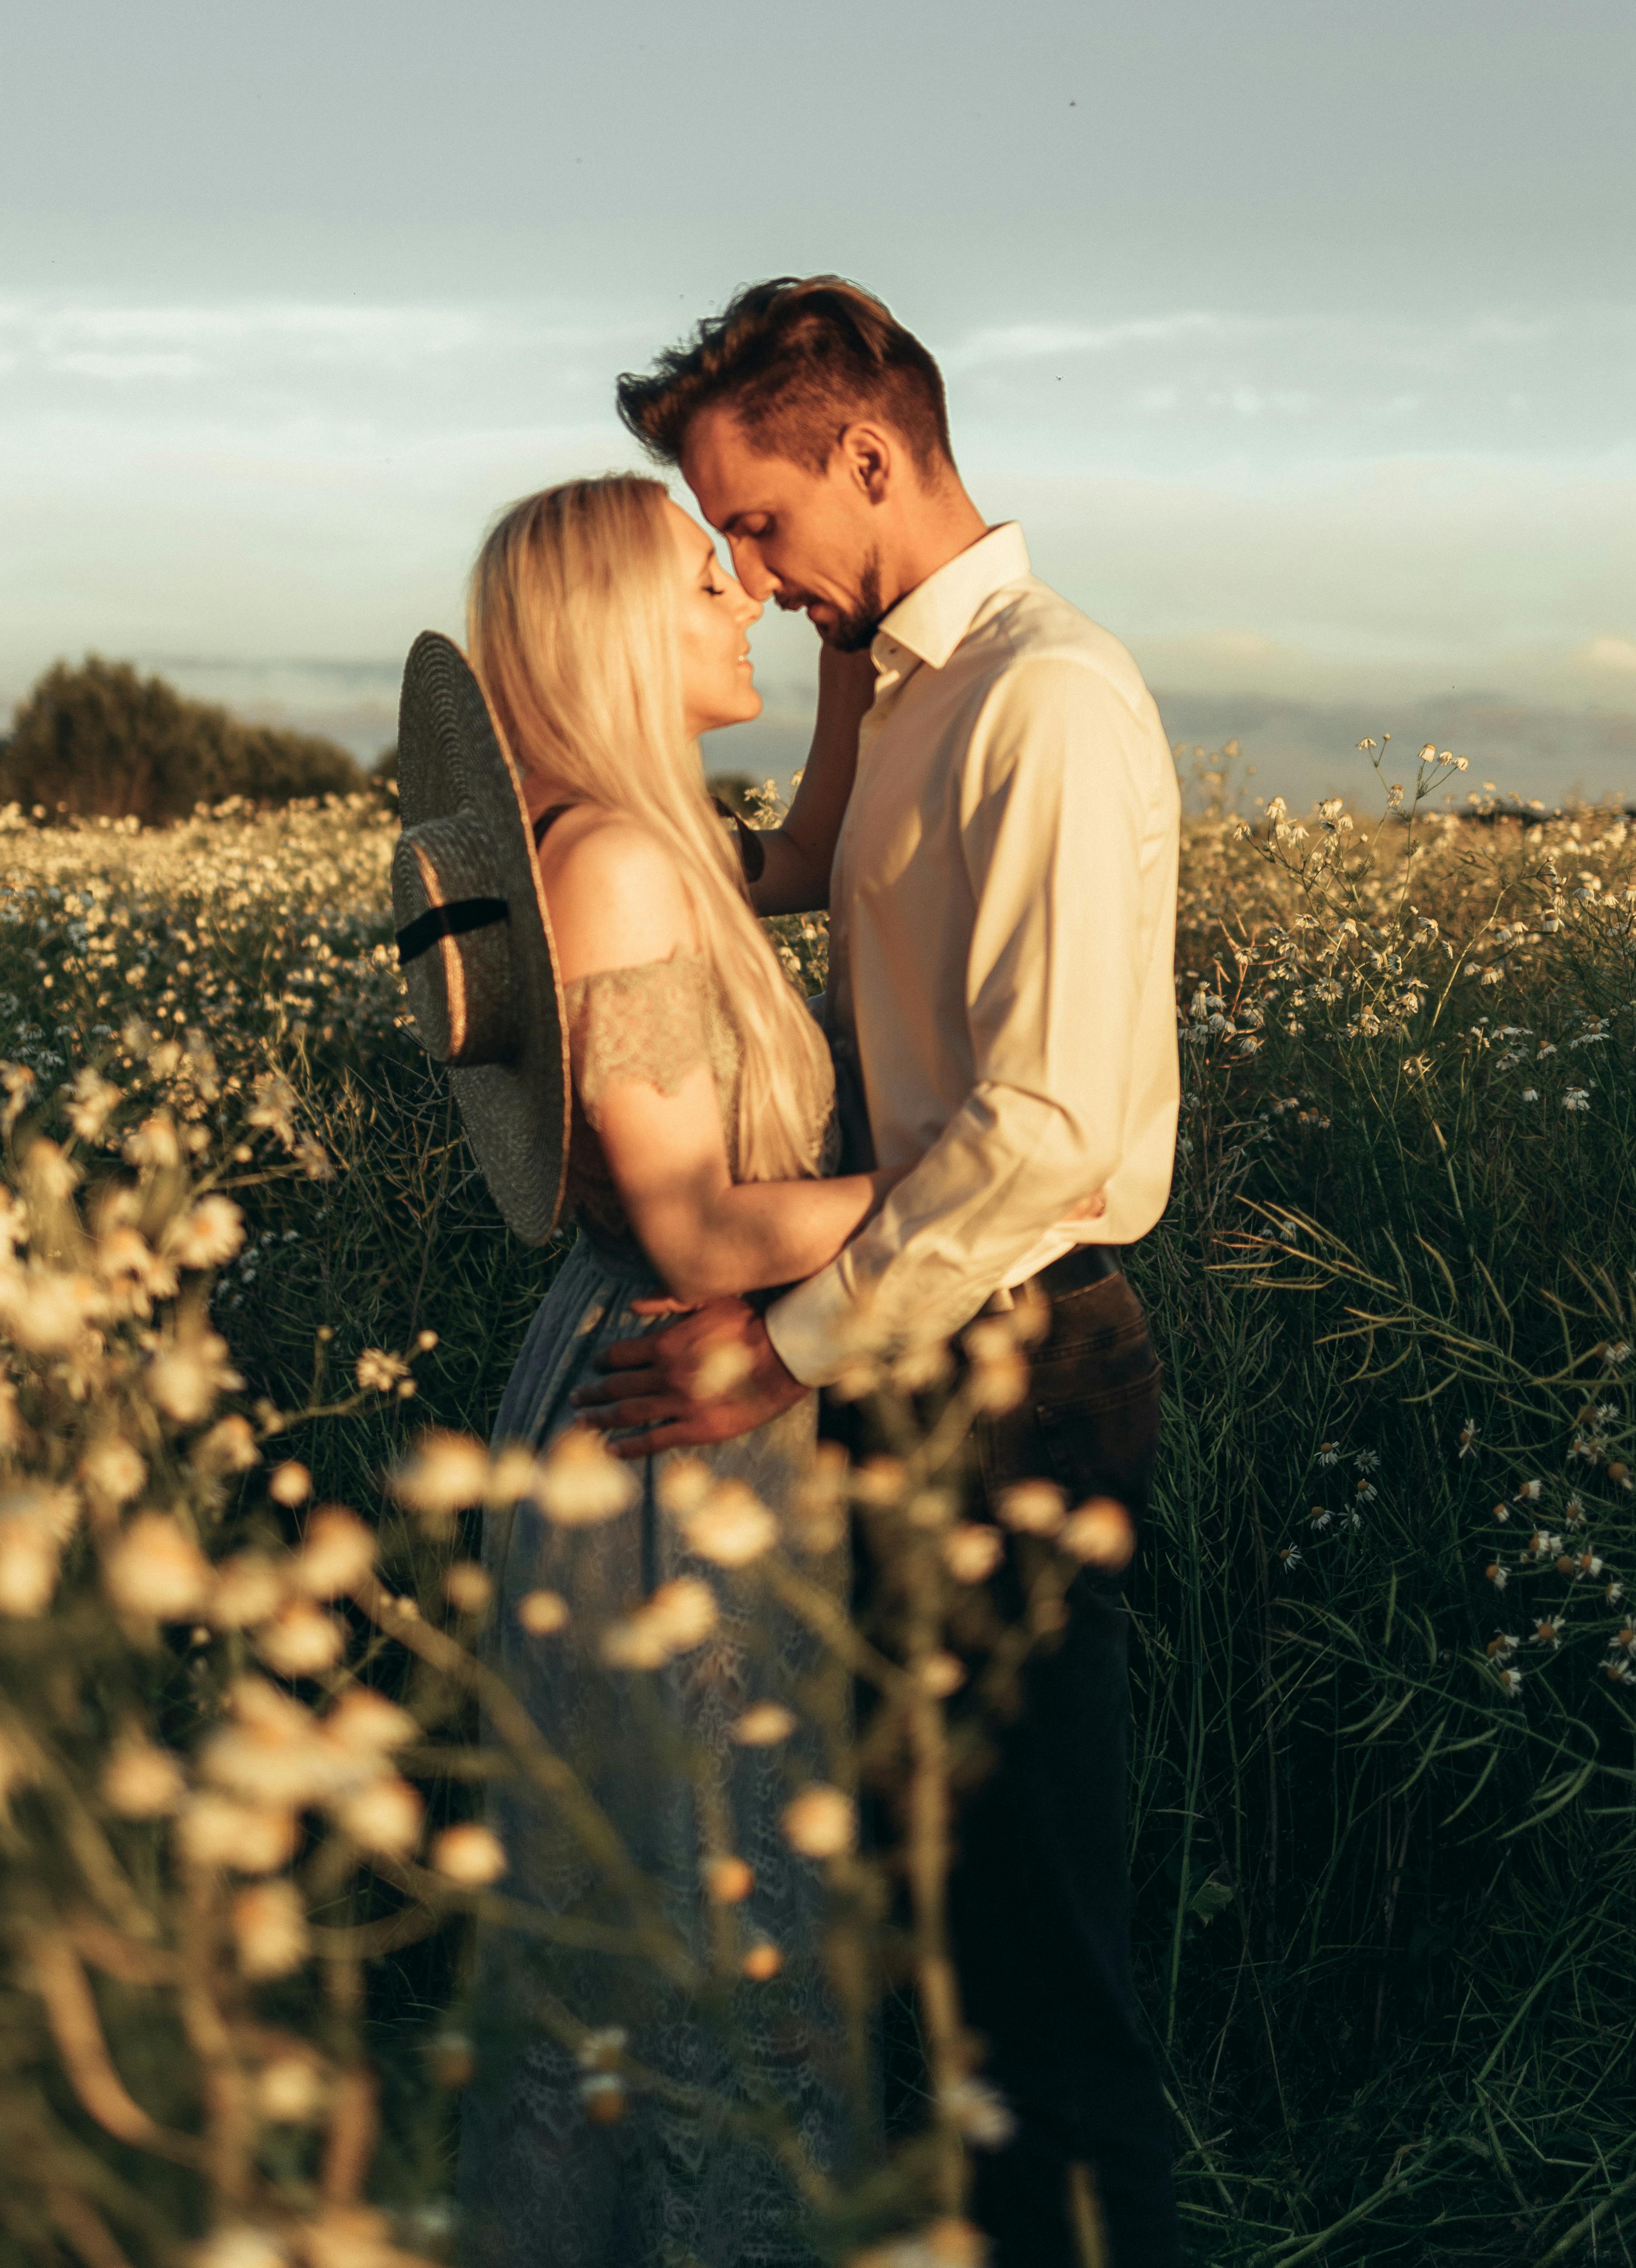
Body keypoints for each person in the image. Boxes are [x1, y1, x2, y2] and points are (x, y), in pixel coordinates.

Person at [579, 278, 1186, 2268]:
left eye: (757, 522)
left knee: (1038, 1969)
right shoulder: (912, 689)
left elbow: (1049, 1133)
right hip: (921, 1346)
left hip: (1011, 1358)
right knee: (941, 1951)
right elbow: (733, 886)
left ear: (871, 454)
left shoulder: (1048, 698)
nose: (745, 571)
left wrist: (789, 1349)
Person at [429, 470, 891, 2268]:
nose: (748, 601)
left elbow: (813, 854)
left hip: (658, 1402)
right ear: (625, 628)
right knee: (717, 1952)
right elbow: (698, 1228)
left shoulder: (642, 840)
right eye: (714, 581)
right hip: (669, 1419)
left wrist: (857, 655)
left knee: (649, 1946)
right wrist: (991, 1182)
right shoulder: (616, 865)